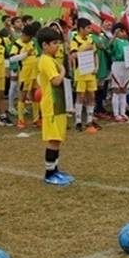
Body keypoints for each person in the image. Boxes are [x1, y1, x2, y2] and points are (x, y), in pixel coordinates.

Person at [36, 27, 73, 186]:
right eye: (53, 43)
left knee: (57, 139)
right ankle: (49, 173)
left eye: (58, 42)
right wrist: (63, 70)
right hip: (51, 105)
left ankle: (55, 170)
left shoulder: (51, 59)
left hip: (58, 103)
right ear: (44, 45)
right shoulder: (45, 60)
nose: (57, 46)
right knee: (53, 139)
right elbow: (56, 81)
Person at [69, 18, 98, 133]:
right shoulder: (75, 40)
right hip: (80, 72)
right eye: (88, 28)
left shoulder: (90, 39)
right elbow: (73, 56)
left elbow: (95, 54)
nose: (90, 30)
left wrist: (96, 67)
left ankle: (89, 120)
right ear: (81, 29)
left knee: (91, 95)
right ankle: (78, 121)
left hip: (90, 71)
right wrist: (85, 48)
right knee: (80, 96)